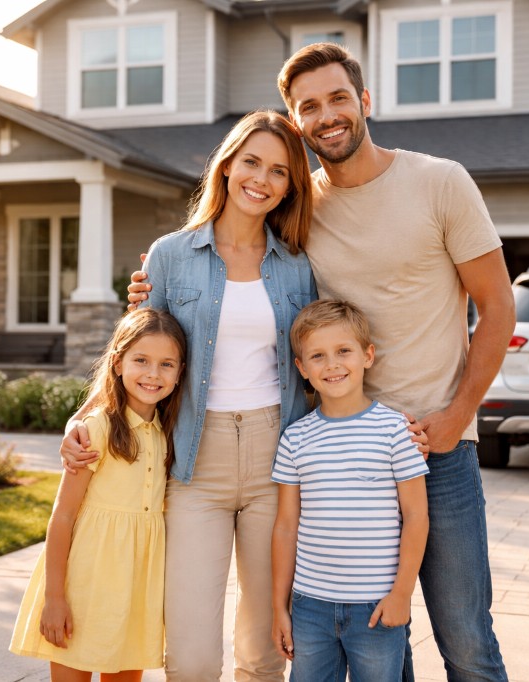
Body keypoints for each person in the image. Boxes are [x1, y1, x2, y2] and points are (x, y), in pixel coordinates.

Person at [130, 44, 516, 681]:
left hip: (433, 445)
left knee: (467, 638)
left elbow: (498, 308)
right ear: (296, 120)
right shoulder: (296, 209)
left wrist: (456, 417)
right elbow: (219, 268)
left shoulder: (439, 181)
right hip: (338, 454)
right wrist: (149, 292)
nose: (327, 114)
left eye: (338, 98)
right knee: (381, 639)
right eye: (308, 106)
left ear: (364, 101)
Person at [62, 110, 317, 682]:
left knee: (265, 652)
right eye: (251, 161)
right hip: (193, 461)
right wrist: (82, 417)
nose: (262, 178)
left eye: (279, 170)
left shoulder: (299, 265)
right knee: (193, 657)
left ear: (290, 185)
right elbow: (133, 353)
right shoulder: (169, 255)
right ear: (226, 166)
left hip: (278, 458)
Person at [9, 308, 186, 682]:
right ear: (118, 363)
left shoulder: (167, 432)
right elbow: (63, 515)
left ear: (179, 372)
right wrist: (55, 597)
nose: (153, 374)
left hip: (136, 589)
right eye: (141, 360)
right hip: (84, 585)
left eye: (166, 364)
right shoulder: (97, 428)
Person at [271, 300, 429, 682]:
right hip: (311, 607)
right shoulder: (295, 438)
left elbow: (417, 517)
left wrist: (402, 595)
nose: (332, 364)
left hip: (376, 608)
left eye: (344, 351)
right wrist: (280, 605)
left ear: (367, 356)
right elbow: (286, 526)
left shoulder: (395, 431)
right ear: (302, 368)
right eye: (318, 356)